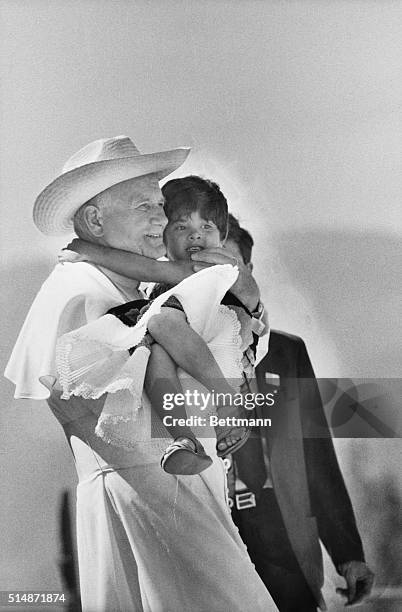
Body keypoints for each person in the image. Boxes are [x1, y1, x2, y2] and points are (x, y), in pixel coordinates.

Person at [5, 136, 277, 612]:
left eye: (160, 202)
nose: (161, 217)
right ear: (94, 220)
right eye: (144, 205)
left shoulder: (128, 282)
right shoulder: (80, 291)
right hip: (151, 505)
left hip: (171, 497)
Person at [223, 214, 374, 612]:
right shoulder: (173, 347)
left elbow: (316, 454)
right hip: (215, 528)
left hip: (283, 532)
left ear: (249, 272)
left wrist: (347, 552)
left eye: (228, 266)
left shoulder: (287, 352)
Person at [58, 176, 255, 476]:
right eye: (181, 227)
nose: (195, 237)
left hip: (216, 321)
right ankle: (183, 439)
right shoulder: (161, 285)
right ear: (162, 234)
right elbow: (156, 273)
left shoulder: (212, 263)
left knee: (161, 320)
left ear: (221, 235)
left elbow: (151, 268)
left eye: (206, 228)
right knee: (153, 356)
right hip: (182, 331)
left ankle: (226, 399)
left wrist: (90, 250)